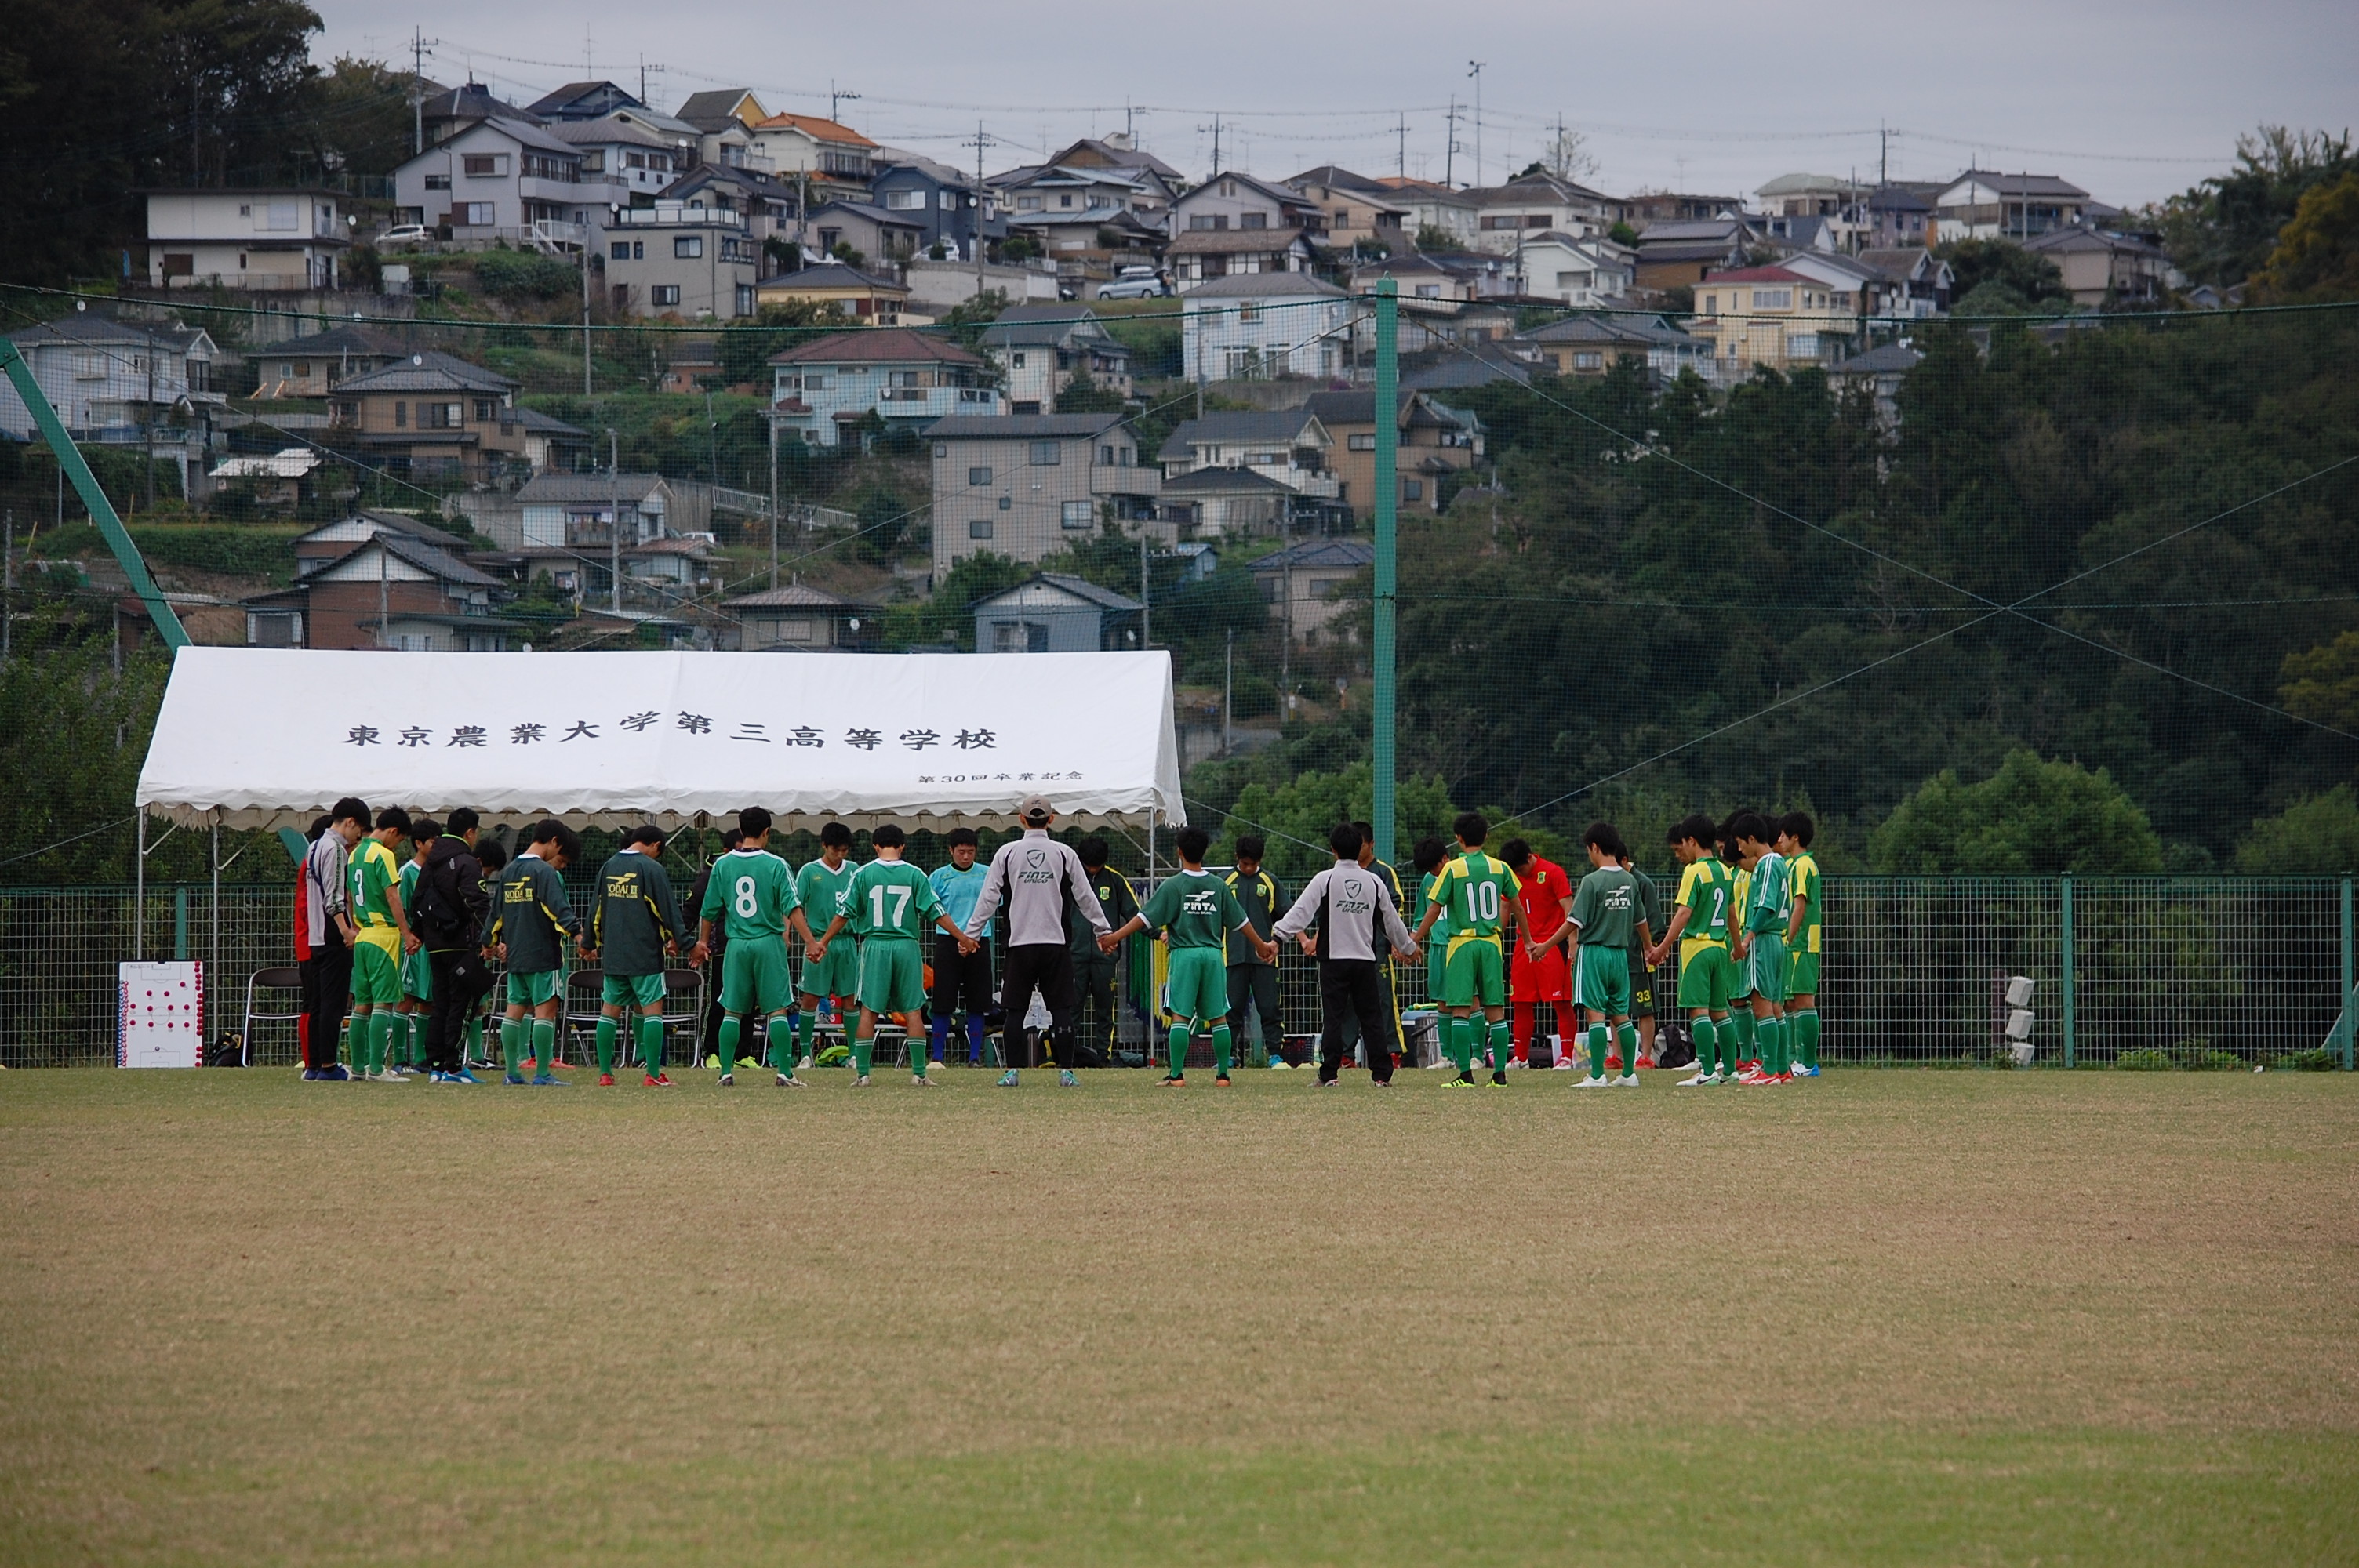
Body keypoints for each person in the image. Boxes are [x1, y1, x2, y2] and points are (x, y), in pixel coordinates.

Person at [1103, 826, 1274, 1086]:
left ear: (1179, 852)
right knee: (1218, 1017)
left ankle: (1177, 1076)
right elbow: (1241, 922)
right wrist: (1261, 944)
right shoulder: (1218, 885)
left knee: (1180, 1016)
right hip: (1214, 956)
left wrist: (1115, 937)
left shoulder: (1175, 885)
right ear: (1204, 852)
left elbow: (1143, 918)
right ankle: (1223, 1077)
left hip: (1185, 955)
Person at [963, 794, 1111, 1088]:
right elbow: (1085, 896)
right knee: (1061, 1010)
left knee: (1015, 1011)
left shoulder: (1007, 853)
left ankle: (1012, 1073)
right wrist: (1103, 930)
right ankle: (1066, 1073)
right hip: (1055, 944)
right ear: (1051, 819)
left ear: (1021, 819)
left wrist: (971, 935)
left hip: (1020, 945)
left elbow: (989, 897)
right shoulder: (1064, 853)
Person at [812, 824, 975, 1085]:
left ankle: (863, 1074)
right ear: (902, 846)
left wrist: (823, 941)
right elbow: (936, 912)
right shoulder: (915, 874)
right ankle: (920, 1074)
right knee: (912, 1010)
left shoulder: (863, 873)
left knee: (868, 1010)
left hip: (875, 945)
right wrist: (963, 937)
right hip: (906, 946)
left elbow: (844, 913)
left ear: (876, 846)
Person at [1271, 822, 1416, 1087]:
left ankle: (1329, 1075)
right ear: (1360, 847)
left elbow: (1301, 911)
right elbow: (1391, 921)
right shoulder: (1373, 880)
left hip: (1333, 961)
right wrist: (1408, 947)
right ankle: (1382, 1076)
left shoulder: (1325, 878)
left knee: (1333, 1018)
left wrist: (1277, 937)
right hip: (1364, 960)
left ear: (1333, 850)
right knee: (1372, 1017)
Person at [696, 808, 813, 1088]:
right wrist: (810, 941)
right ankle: (784, 1072)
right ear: (767, 832)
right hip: (768, 941)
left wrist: (702, 941)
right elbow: (792, 906)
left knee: (732, 1010)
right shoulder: (776, 864)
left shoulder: (722, 865)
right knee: (777, 1010)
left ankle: (725, 1071)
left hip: (736, 944)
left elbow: (708, 910)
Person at [1408, 812, 1525, 1089]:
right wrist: (1529, 940)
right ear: (1486, 836)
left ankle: (1465, 1075)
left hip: (1461, 943)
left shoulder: (1453, 869)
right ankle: (1499, 1076)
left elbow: (1434, 909)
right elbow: (1517, 905)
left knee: (1459, 1008)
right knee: (1495, 1010)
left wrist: (1413, 939)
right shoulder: (1500, 867)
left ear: (1458, 839)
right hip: (1491, 943)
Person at [1532, 824, 1652, 1087]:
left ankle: (1597, 1075)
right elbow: (1641, 920)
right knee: (1621, 1016)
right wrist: (1648, 947)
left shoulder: (1592, 881)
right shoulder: (1629, 881)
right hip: (1621, 955)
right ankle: (1629, 1074)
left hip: (1595, 953)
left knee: (1595, 1015)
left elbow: (1573, 922)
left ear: (1595, 847)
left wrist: (1546, 946)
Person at [487, 818, 586, 1087]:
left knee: (514, 1010)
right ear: (554, 842)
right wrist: (579, 935)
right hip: (543, 952)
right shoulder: (544, 872)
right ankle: (542, 1073)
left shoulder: (509, 871)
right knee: (546, 1010)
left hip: (517, 953)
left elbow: (496, 913)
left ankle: (512, 1073)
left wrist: (489, 941)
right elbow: (558, 908)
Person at [590, 826, 686, 1087]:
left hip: (614, 956)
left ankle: (606, 1074)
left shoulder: (608, 867)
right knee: (653, 1009)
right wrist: (681, 941)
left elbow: (596, 909)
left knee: (609, 1011)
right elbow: (666, 911)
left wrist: (590, 942)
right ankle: (653, 1074)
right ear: (655, 845)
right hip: (644, 954)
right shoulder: (651, 869)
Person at [1648, 816, 1739, 1087]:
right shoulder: (1725, 871)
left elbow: (1684, 913)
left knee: (1698, 1011)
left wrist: (1662, 947)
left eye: (1684, 845)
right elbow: (1732, 914)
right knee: (1720, 1011)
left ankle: (1708, 1072)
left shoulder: (1694, 872)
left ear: (1691, 841)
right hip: (1720, 947)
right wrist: (1737, 946)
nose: (1682, 851)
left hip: (1697, 948)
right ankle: (1730, 1071)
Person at [416, 808, 492, 1083]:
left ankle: (435, 1065)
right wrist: (492, 937)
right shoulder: (465, 861)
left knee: (441, 1004)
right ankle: (453, 1065)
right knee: (462, 1004)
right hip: (461, 944)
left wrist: (418, 934)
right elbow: (477, 902)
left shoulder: (430, 862)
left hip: (435, 945)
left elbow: (418, 899)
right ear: (470, 832)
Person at [344, 806, 418, 1084]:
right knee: (383, 1003)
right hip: (384, 936)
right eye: (399, 841)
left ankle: (359, 1067)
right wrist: (406, 932)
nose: (397, 846)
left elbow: (350, 894)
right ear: (393, 832)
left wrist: (353, 926)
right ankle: (377, 1068)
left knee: (361, 1004)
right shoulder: (383, 855)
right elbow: (392, 895)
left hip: (362, 935)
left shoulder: (355, 854)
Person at [298, 803, 363, 1081]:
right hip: (331, 934)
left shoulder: (313, 846)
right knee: (333, 1005)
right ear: (350, 822)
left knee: (317, 1004)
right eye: (359, 829)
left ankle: (313, 1065)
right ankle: (328, 1065)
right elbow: (335, 897)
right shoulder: (335, 849)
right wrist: (346, 930)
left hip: (314, 936)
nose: (357, 836)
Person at [791, 822, 860, 1072]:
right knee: (810, 998)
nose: (840, 855)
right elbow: (794, 905)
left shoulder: (854, 870)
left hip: (846, 942)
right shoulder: (810, 872)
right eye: (835, 850)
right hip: (818, 942)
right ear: (824, 846)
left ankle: (854, 1054)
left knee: (849, 999)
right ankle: (806, 1055)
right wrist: (793, 935)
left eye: (844, 850)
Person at [1499, 837, 1573, 1067]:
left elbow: (1569, 909)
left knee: (1561, 1002)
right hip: (1524, 944)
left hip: (1552, 943)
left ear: (1531, 857)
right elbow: (1505, 909)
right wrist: (1495, 938)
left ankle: (1567, 1057)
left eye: (1521, 869)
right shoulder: (1510, 877)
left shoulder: (1553, 873)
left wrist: (1572, 943)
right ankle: (1521, 1058)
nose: (1520, 873)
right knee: (1520, 1001)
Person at [1731, 811, 1792, 1086]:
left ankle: (1769, 1069)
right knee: (1776, 1007)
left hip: (1763, 939)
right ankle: (1781, 1069)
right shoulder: (1780, 862)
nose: (1740, 849)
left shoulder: (1767, 864)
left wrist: (1746, 939)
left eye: (1741, 843)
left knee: (1761, 1005)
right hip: (1776, 940)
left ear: (1752, 839)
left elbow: (1766, 905)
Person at [928, 828, 994, 1068]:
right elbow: (930, 908)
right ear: (951, 851)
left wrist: (972, 937)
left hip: (980, 941)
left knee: (978, 1002)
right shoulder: (938, 877)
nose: (966, 857)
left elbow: (998, 904)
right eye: (961, 852)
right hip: (948, 941)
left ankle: (974, 1057)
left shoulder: (988, 874)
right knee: (943, 1001)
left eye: (970, 852)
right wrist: (958, 937)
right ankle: (937, 1056)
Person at [1070, 837, 1137, 1069]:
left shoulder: (1116, 881)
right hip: (1074, 956)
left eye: (1096, 866)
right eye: (1088, 866)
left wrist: (1158, 933)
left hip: (1105, 958)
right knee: (1071, 1007)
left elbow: (1135, 914)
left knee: (1105, 1008)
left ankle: (1103, 1056)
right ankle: (1065, 1054)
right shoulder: (1069, 880)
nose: (1091, 870)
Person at [1222, 837, 1286, 1069]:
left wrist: (1300, 939)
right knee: (1231, 1009)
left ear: (1260, 860)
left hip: (1265, 959)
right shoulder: (1224, 882)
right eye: (1245, 863)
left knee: (1270, 1007)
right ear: (1237, 858)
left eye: (1253, 864)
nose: (1249, 868)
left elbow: (1286, 915)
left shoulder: (1270, 882)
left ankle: (1275, 1055)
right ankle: (1227, 1056)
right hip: (1233, 957)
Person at [685, 827, 742, 1070]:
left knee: (746, 1002)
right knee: (718, 1000)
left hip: (746, 946)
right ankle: (711, 1051)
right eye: (738, 850)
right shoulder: (712, 874)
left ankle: (742, 1053)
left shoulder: (759, 866)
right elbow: (693, 906)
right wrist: (683, 939)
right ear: (726, 851)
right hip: (720, 948)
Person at [391, 818, 442, 1076]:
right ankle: (400, 1058)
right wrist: (410, 935)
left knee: (428, 1000)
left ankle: (422, 1057)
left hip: (432, 943)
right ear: (419, 844)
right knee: (406, 998)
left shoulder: (439, 870)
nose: (436, 845)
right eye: (433, 840)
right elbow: (402, 907)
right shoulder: (407, 872)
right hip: (413, 943)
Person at [1779, 811, 1824, 1077]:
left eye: (1784, 836)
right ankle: (1795, 1059)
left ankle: (1808, 1063)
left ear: (1795, 838)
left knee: (1804, 1000)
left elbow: (1799, 905)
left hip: (1803, 942)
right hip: (1795, 943)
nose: (1780, 840)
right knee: (1791, 1001)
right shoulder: (1792, 864)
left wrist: (1788, 937)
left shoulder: (1804, 865)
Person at [1618, 845, 1663, 1069]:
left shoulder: (1643, 883)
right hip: (1618, 956)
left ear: (1625, 861)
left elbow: (1654, 921)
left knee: (1645, 1007)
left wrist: (1653, 949)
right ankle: (1616, 1055)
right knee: (1616, 1008)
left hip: (1640, 956)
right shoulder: (1613, 882)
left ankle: (1646, 1055)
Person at [465, 838, 509, 1070]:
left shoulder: (476, 879)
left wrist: (494, 942)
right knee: (462, 1003)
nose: (486, 875)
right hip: (465, 947)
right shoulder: (466, 877)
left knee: (479, 1003)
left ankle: (477, 1056)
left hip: (479, 946)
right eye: (488, 870)